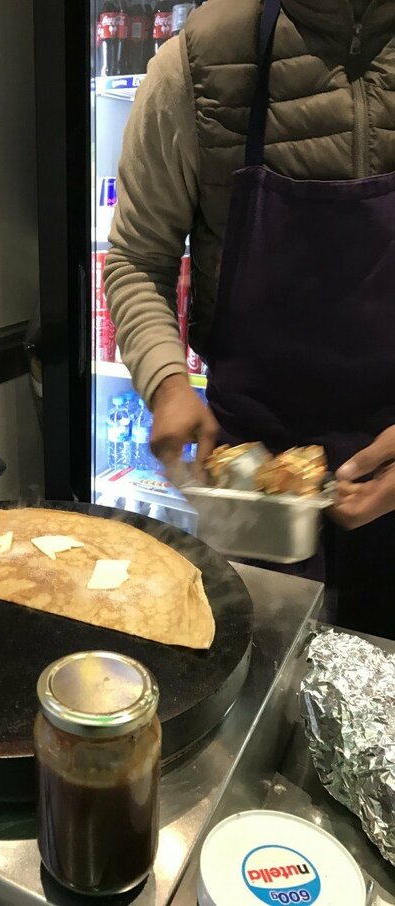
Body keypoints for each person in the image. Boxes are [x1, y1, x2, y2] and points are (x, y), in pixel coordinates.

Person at [104, 0, 395, 638]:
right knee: (254, 677)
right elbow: (136, 258)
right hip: (250, 483)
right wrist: (167, 383)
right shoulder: (202, 61)